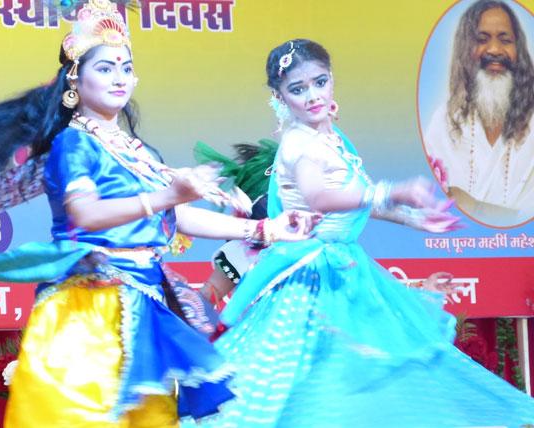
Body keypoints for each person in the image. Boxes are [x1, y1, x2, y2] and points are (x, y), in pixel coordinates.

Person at [0, 2, 318, 426]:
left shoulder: (141, 153)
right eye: (106, 68)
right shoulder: (73, 145)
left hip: (143, 307)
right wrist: (167, 195)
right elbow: (86, 214)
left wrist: (263, 227)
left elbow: (179, 217)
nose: (119, 78)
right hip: (87, 310)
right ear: (75, 78)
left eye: (126, 68)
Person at [182, 39, 534, 427]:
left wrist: (413, 218)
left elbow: (360, 200)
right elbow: (320, 196)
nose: (312, 96)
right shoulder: (299, 141)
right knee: (313, 390)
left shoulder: (331, 138)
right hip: (310, 282)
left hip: (345, 271)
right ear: (279, 97)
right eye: (298, 90)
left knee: (368, 381)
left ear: (332, 79)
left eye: (320, 82)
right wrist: (391, 189)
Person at [424, 0, 534, 226]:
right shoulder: (444, 122)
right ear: (466, 50)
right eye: (481, 40)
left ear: (518, 50)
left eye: (505, 40)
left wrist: (472, 205)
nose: (494, 50)